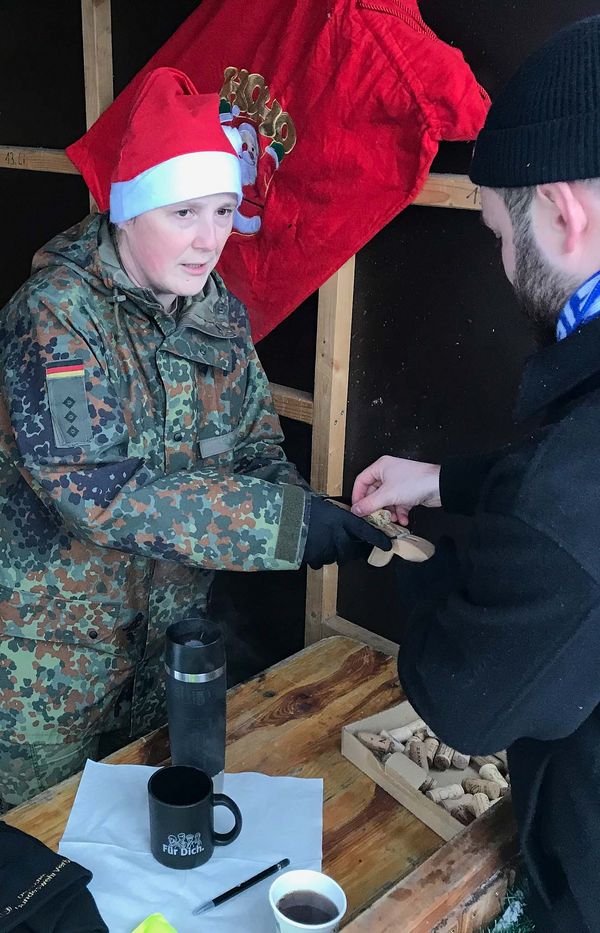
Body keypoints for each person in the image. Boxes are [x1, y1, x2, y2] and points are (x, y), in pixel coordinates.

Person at [0, 66, 389, 810]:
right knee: (36, 864)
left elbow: (252, 449)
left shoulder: (217, 314)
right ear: (127, 211)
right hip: (46, 669)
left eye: (221, 211)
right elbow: (99, 497)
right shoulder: (58, 318)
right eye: (183, 213)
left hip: (166, 656)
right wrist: (286, 528)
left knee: (144, 856)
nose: (209, 240)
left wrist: (321, 512)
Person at [352, 16, 600, 932]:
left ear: (563, 214)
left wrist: (422, 565)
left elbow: (467, 699)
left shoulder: (566, 501)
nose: (501, 262)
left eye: (498, 231)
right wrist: (446, 480)